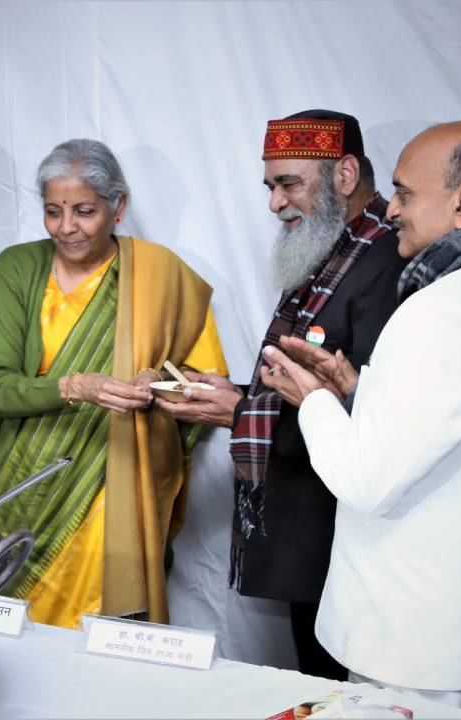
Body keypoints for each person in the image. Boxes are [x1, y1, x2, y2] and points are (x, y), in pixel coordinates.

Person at [259, 119, 461, 718]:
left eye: (406, 194)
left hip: (422, 648)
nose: (391, 211)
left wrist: (312, 399)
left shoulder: (442, 311)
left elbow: (365, 480)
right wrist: (363, 390)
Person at [156, 110, 406, 680]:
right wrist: (237, 394)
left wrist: (240, 412)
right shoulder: (338, 252)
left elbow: (371, 414)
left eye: (289, 183)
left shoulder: (386, 261)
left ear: (345, 175)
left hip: (349, 542)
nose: (275, 203)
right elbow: (303, 388)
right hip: (311, 535)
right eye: (271, 186)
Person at [0, 138, 228, 629]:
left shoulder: (160, 275)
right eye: (53, 211)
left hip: (115, 489)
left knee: (102, 634)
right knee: (15, 638)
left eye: (85, 211)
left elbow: (203, 386)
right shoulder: (16, 268)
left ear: (119, 207)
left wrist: (156, 381)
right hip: (24, 481)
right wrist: (75, 387)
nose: (67, 227)